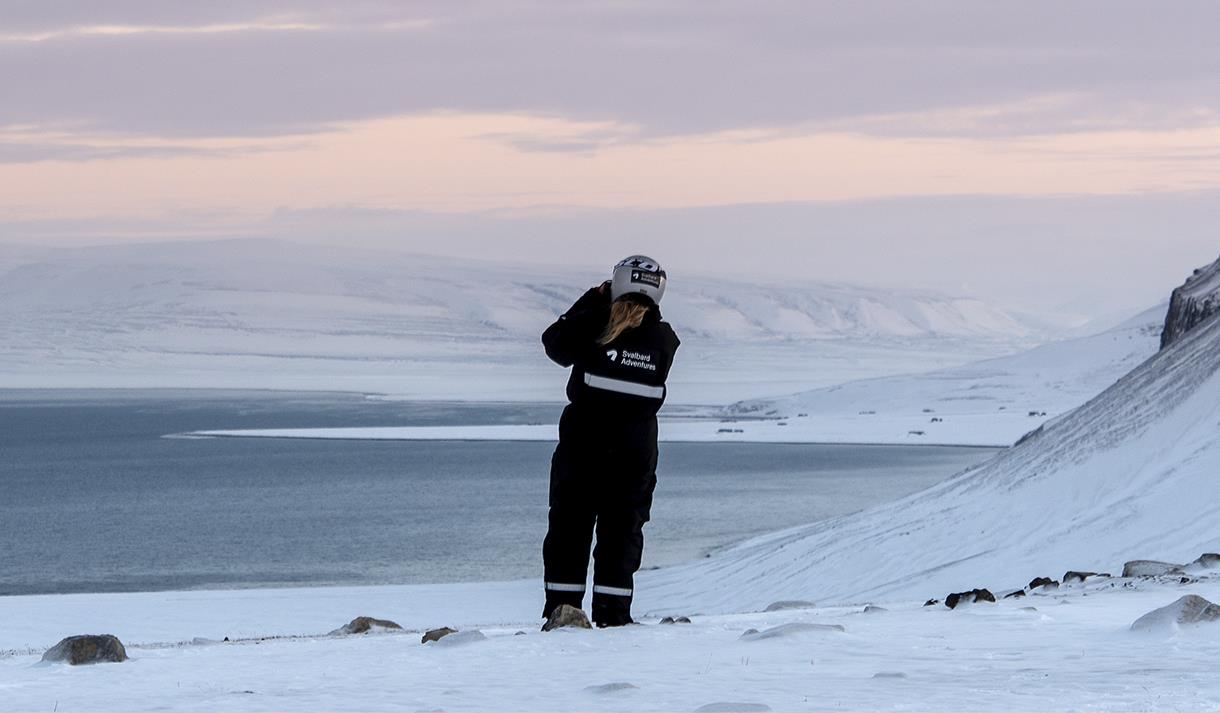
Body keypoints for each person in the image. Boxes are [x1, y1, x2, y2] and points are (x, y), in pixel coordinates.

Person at [540, 255, 680, 628]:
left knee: (570, 529)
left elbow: (554, 343)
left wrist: (591, 300)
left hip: (583, 447)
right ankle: (614, 617)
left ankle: (562, 614)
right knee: (622, 533)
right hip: (636, 453)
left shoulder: (594, 325)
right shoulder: (665, 341)